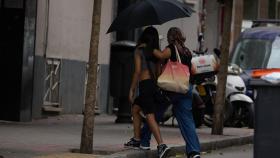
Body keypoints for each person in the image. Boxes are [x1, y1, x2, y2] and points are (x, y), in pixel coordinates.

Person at [141, 27, 201, 158]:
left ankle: (143, 140)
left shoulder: (171, 49)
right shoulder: (187, 51)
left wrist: (150, 45)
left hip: (172, 89)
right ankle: (194, 151)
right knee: (187, 121)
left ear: (170, 37)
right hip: (186, 88)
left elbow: (161, 56)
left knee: (154, 114)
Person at [124, 26, 171, 158]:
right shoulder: (156, 52)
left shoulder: (139, 50)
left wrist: (132, 89)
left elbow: (138, 72)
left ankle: (161, 145)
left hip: (145, 86)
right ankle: (137, 139)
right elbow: (159, 72)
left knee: (149, 116)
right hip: (153, 85)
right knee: (135, 108)